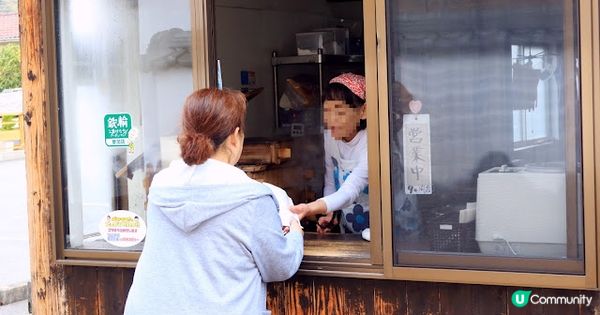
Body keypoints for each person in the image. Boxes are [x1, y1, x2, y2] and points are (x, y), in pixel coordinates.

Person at [124, 88, 304, 315]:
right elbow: (280, 266)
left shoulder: (161, 187)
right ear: (234, 138)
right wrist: (295, 230)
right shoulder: (252, 200)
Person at [291, 73, 370, 235]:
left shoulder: (372, 142)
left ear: (363, 111)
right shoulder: (331, 136)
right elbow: (330, 182)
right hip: (350, 230)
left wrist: (311, 208)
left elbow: (350, 191)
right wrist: (330, 212)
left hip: (385, 236)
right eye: (327, 111)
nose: (331, 120)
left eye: (339, 112)